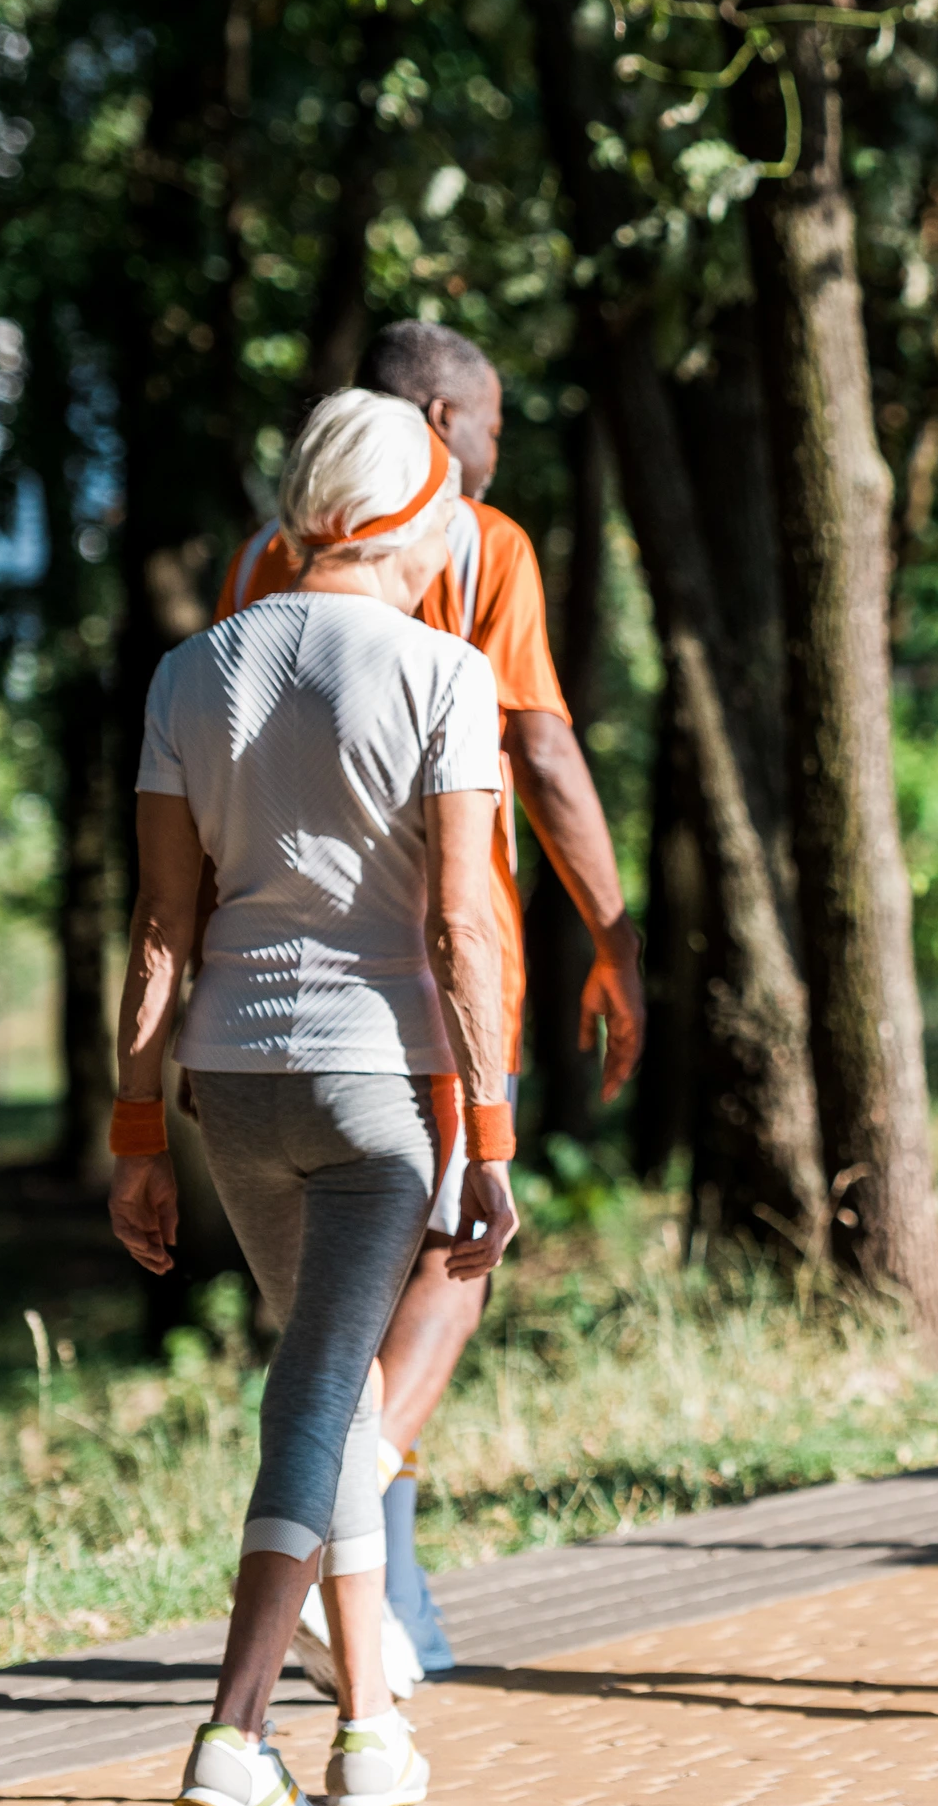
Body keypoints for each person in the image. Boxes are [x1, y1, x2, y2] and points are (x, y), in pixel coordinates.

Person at [115, 388, 522, 1806]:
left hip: (232, 1089)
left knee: (335, 1393)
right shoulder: (443, 674)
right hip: (375, 1094)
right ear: (409, 519)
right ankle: (235, 1728)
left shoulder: (189, 673)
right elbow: (465, 929)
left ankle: (366, 1732)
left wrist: (135, 1134)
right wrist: (490, 1132)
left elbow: (163, 929)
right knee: (314, 1404)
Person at [216, 322, 644, 1685]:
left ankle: (387, 1603)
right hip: (439, 967)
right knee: (458, 1251)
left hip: (267, 990)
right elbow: (544, 744)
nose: (498, 451)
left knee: (339, 1308)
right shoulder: (485, 545)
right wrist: (614, 930)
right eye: (497, 425)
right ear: (447, 420)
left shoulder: (254, 564)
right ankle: (346, 1543)